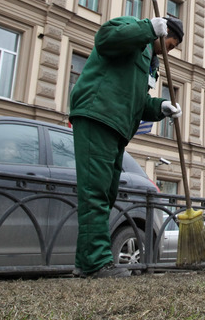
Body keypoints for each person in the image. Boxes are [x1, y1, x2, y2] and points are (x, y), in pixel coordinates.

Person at [69, 16, 184, 278]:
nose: (169, 49)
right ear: (161, 30)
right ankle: (97, 263)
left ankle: (86, 262)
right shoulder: (132, 30)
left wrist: (160, 108)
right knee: (95, 192)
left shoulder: (150, 64)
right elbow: (105, 39)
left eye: (174, 47)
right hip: (97, 114)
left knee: (105, 194)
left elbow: (138, 102)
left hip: (117, 126)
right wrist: (146, 29)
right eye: (170, 42)